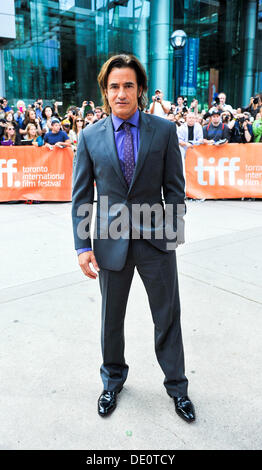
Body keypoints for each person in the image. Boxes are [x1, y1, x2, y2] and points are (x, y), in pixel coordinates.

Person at [72, 53, 195, 423]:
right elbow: (81, 195)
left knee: (167, 317)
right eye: (114, 86)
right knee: (111, 319)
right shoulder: (89, 136)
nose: (121, 93)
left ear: (140, 89)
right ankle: (112, 382)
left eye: (128, 85)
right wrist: (82, 246)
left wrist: (172, 229)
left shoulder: (163, 130)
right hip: (110, 241)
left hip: (156, 240)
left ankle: (178, 388)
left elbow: (175, 189)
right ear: (105, 92)